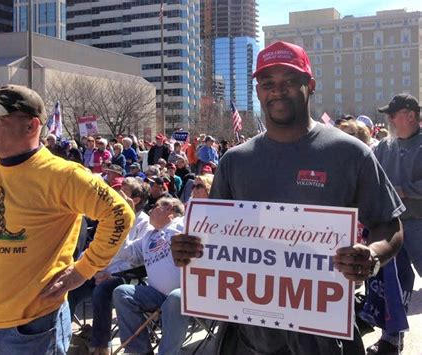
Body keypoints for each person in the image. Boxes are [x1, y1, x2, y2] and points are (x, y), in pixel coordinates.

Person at [171, 41, 404, 355]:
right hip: (248, 335)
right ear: (258, 91)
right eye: (268, 84)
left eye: (289, 82)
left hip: (323, 332)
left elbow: (390, 226)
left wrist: (372, 256)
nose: (277, 91)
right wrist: (189, 248)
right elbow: (213, 237)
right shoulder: (235, 161)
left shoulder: (350, 154)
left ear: (310, 86)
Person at [0, 84, 134, 354]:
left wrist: (84, 270)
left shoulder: (63, 175)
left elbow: (119, 214)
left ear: (32, 126)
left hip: (34, 326)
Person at [69, 177, 151, 355]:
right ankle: (62, 336)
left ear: (135, 200)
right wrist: (89, 268)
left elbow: (135, 258)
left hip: (124, 276)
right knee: (69, 287)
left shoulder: (145, 223)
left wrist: (110, 273)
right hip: (99, 271)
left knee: (103, 291)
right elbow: (95, 247)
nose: (115, 193)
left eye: (123, 190)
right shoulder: (110, 215)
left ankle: (100, 346)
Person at [367, 93, 422, 355]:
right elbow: (368, 173)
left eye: (393, 113)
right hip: (391, 227)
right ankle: (391, 340)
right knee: (392, 285)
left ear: (411, 115)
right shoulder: (383, 147)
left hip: (419, 225)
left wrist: (405, 189)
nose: (388, 118)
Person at [113, 197, 189, 355]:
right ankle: (140, 351)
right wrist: (124, 218)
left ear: (169, 209)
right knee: (122, 292)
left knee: (176, 297)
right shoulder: (148, 235)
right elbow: (127, 253)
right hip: (156, 294)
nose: (149, 210)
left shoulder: (183, 224)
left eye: (154, 206)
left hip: (186, 293)